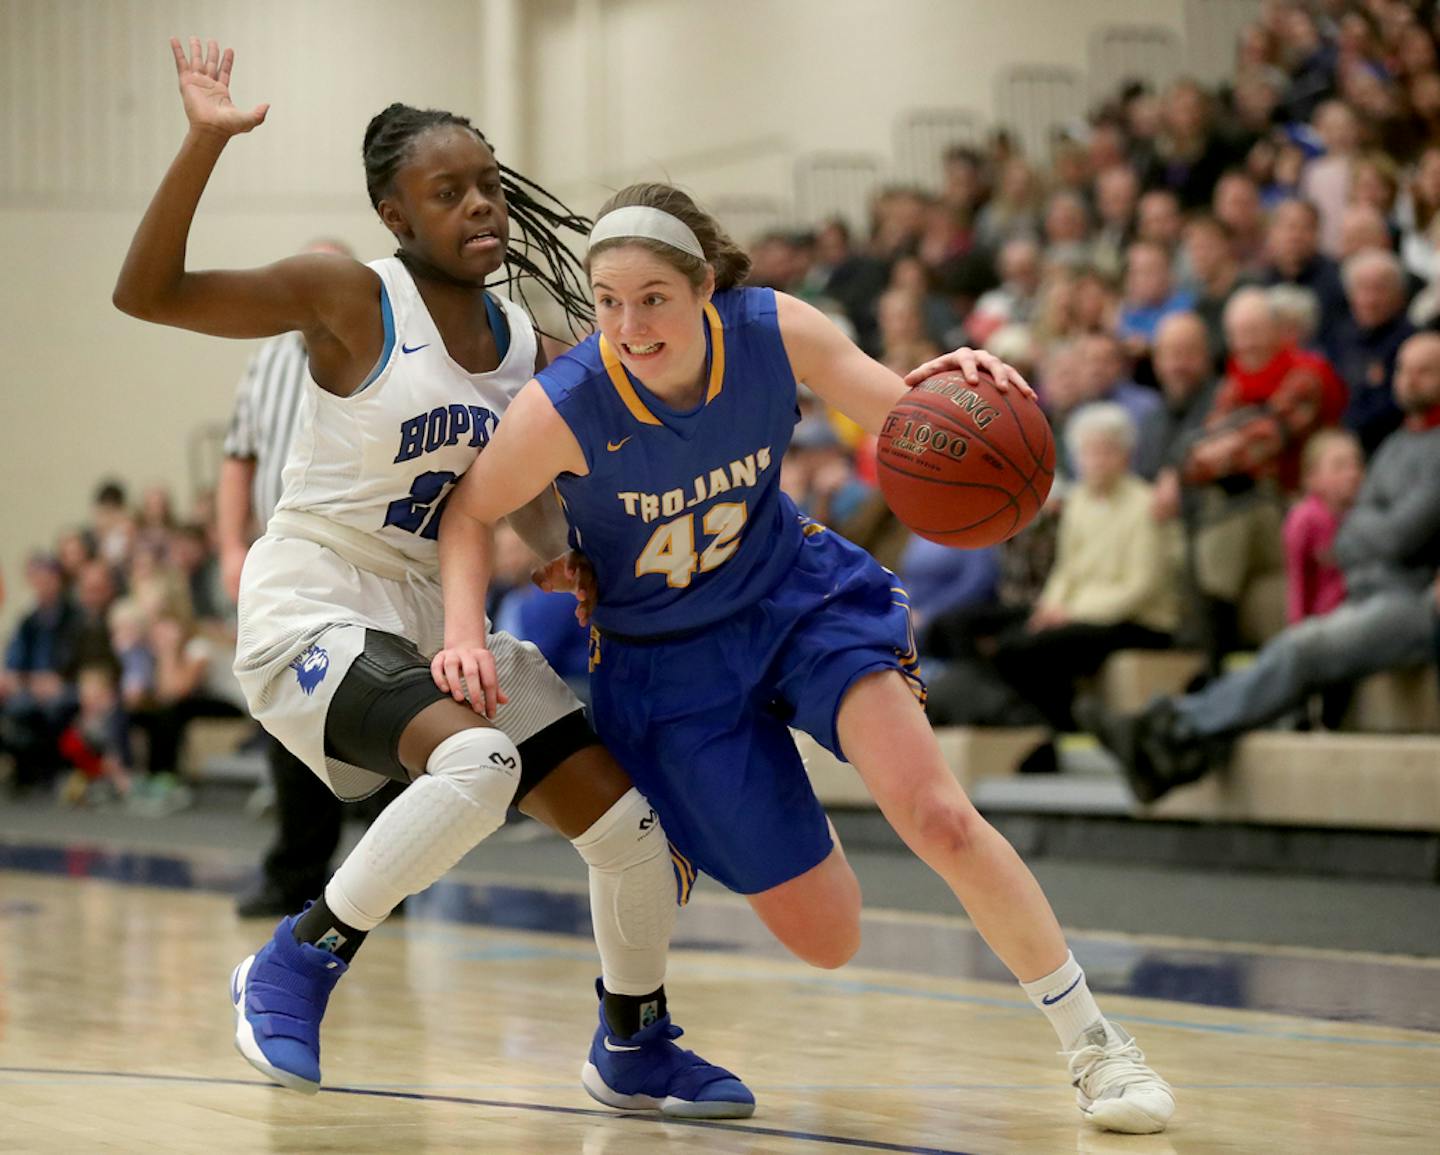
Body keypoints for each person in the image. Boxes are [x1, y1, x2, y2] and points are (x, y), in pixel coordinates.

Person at [435, 182, 1177, 1135]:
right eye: (609, 300)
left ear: (704, 285)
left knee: (939, 814)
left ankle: (1097, 1045)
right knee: (831, 937)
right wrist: (463, 628)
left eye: (653, 296)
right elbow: (468, 509)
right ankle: (692, 840)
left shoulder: (772, 329)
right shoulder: (569, 402)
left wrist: (955, 380)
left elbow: (911, 416)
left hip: (796, 600)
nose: (629, 323)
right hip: (669, 667)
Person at [111, 39, 749, 1116]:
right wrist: (202, 144)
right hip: (313, 602)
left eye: (488, 185)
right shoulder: (349, 295)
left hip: (426, 617)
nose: (479, 208)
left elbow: (552, 481)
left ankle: (633, 1044)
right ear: (395, 215)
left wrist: (574, 550)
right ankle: (297, 955)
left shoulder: (529, 346)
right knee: (480, 766)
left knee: (635, 837)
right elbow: (149, 292)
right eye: (445, 193)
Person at [1084, 331, 1440, 803]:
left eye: (1425, 370)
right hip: (1369, 591)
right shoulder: (1395, 444)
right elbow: (1350, 536)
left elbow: (1399, 534)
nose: (1410, 380)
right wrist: (1371, 533)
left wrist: (1367, 532)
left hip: (1413, 600)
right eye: (1403, 369)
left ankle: (1170, 728)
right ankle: (1173, 749)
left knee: (1303, 647)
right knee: (1294, 650)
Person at [216, 237, 402, 920]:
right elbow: (239, 458)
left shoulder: (387, 352)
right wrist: (231, 544)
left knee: (382, 717)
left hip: (368, 564)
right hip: (287, 570)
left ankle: (383, 882)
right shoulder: (264, 359)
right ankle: (296, 869)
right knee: (290, 723)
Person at [1283, 429, 1364, 624]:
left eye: (1357, 464)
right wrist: (1298, 630)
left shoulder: (1365, 515)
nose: (1352, 473)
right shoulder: (1304, 519)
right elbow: (1298, 583)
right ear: (1311, 477)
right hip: (1322, 622)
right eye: (1339, 466)